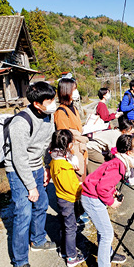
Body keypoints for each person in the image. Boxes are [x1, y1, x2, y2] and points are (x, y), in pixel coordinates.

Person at [4, 81, 57, 267]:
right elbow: (19, 159)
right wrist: (31, 186)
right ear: (37, 104)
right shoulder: (21, 122)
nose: (54, 103)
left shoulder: (48, 116)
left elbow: (46, 145)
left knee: (42, 204)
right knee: (23, 214)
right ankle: (20, 263)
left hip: (35, 165)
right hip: (18, 170)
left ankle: (38, 240)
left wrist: (46, 168)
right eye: (49, 100)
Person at [81, 134, 134, 267]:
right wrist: (111, 202)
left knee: (104, 231)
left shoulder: (118, 161)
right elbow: (102, 187)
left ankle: (107, 253)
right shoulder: (119, 165)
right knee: (107, 233)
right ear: (128, 152)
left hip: (91, 194)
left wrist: (113, 191)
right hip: (91, 198)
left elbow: (103, 179)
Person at [54, 77, 90, 225]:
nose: (76, 92)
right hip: (72, 152)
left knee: (82, 182)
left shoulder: (73, 108)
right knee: (74, 184)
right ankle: (75, 216)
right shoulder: (61, 112)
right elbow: (64, 137)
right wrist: (70, 156)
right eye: (74, 89)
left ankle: (81, 211)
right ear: (67, 91)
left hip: (80, 149)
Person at [49, 129, 86, 267]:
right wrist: (83, 187)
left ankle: (64, 250)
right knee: (71, 227)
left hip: (62, 197)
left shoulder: (55, 159)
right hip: (68, 199)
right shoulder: (63, 166)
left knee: (65, 224)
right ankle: (71, 257)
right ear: (69, 145)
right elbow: (71, 186)